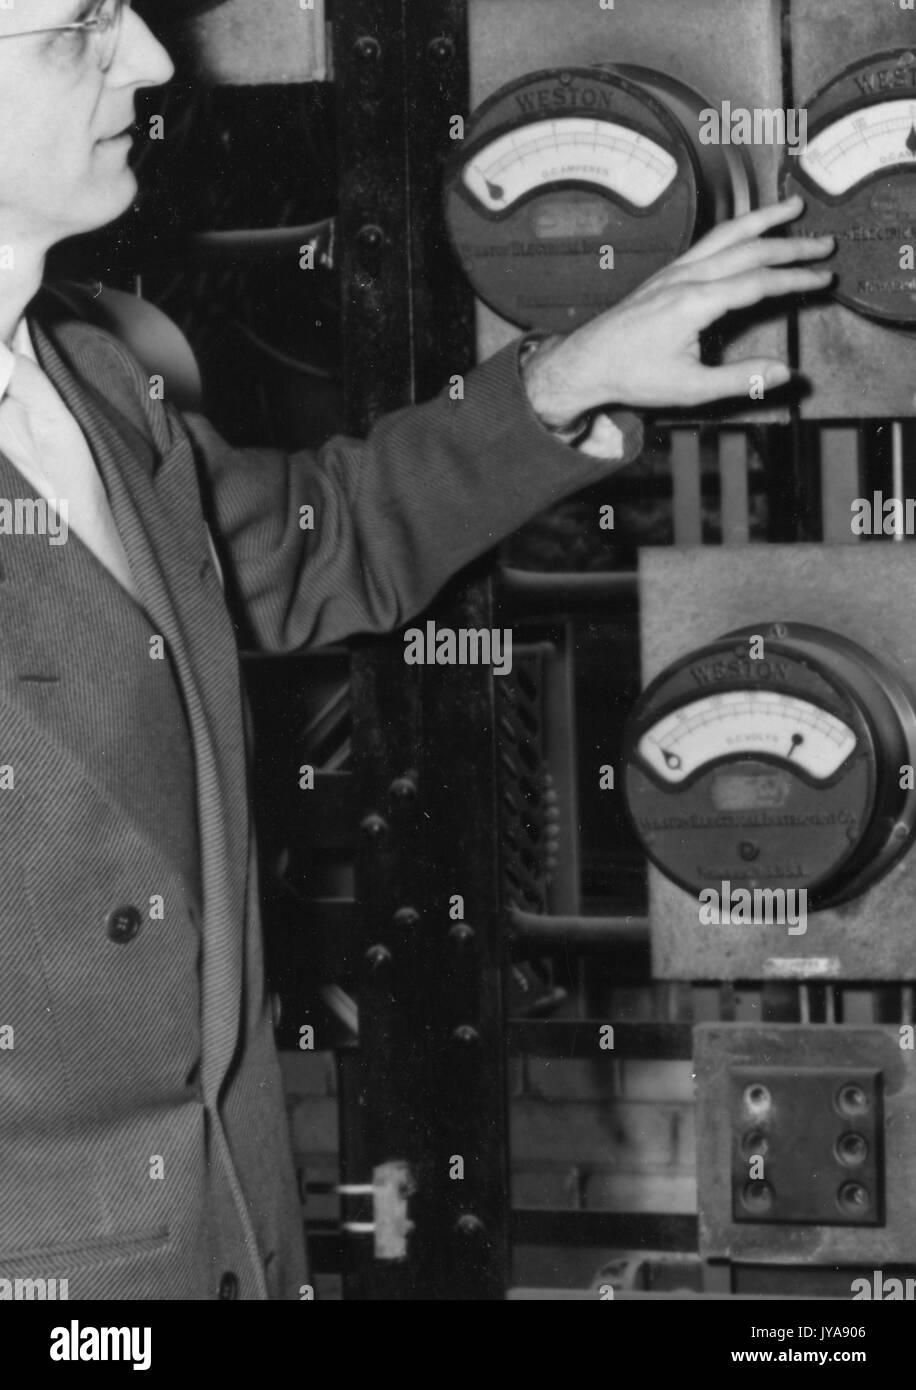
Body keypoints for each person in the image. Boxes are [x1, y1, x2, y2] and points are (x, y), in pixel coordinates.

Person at [0, 0, 834, 1301]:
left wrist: (566, 377)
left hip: (229, 1241)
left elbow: (315, 544)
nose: (156, 59)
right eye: (82, 25)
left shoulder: (94, 389)